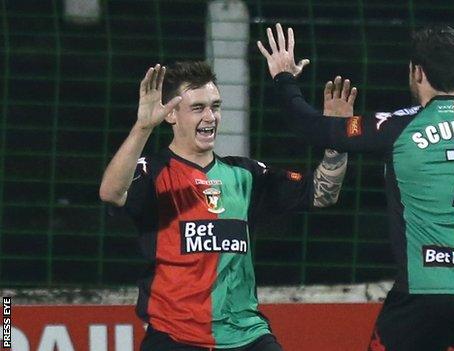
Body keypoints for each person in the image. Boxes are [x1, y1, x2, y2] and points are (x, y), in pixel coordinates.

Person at [258, 17, 454, 351]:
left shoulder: (397, 127)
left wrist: (283, 77)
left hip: (423, 295)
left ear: (417, 72)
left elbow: (309, 126)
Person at [99, 61, 356, 350]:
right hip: (175, 336)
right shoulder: (153, 172)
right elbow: (111, 192)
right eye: (198, 108)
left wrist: (337, 139)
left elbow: (322, 193)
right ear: (171, 114)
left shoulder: (246, 175)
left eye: (215, 106)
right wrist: (143, 126)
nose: (210, 117)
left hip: (247, 334)